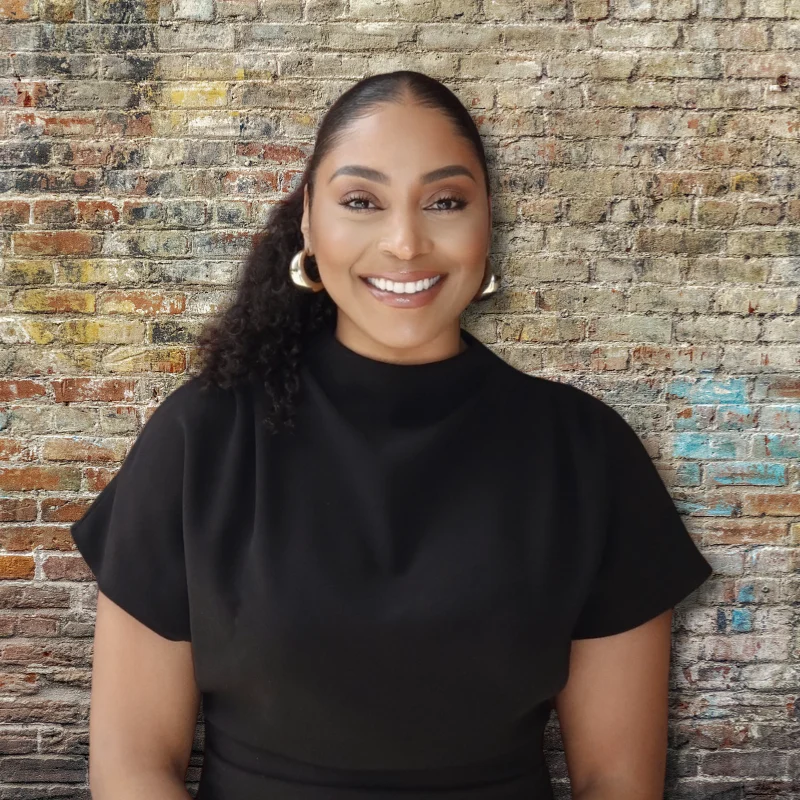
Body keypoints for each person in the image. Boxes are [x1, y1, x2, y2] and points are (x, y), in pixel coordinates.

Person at [70, 70, 713, 800]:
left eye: (444, 201)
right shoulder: (200, 441)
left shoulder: (588, 455)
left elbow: (617, 782)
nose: (405, 242)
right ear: (309, 221)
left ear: (487, 222)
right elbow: (131, 769)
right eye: (361, 202)